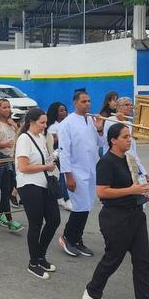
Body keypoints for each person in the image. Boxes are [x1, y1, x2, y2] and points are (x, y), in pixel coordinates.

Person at [80, 123, 149, 299]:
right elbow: (102, 192)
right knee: (113, 259)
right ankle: (92, 292)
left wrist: (147, 192)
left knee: (142, 262)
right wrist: (131, 190)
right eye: (124, 137)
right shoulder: (106, 162)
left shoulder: (131, 159)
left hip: (136, 215)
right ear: (113, 140)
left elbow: (140, 182)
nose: (129, 140)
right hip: (115, 217)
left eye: (130, 136)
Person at [57, 90, 105, 257]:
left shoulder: (91, 120)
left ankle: (77, 239)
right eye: (84, 101)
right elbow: (64, 152)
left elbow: (100, 143)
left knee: (86, 206)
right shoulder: (67, 124)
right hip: (75, 171)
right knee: (79, 207)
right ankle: (67, 237)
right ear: (75, 103)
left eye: (89, 101)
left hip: (91, 169)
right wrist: (68, 175)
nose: (88, 104)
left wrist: (99, 129)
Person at [15, 108, 61, 279]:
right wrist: (46, 167)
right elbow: (23, 167)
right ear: (32, 122)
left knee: (54, 219)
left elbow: (43, 160)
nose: (45, 125)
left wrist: (52, 160)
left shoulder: (41, 137)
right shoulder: (24, 139)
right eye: (42, 122)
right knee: (35, 223)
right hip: (28, 184)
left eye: (45, 122)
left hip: (44, 183)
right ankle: (33, 262)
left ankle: (40, 256)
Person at [0, 99, 23, 232]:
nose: (7, 110)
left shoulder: (11, 123)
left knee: (9, 188)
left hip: (12, 158)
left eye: (8, 107)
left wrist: (15, 126)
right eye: (4, 107)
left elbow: (20, 137)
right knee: (5, 190)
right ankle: (9, 220)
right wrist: (3, 145)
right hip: (1, 159)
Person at [47, 101, 71, 211]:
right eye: (61, 110)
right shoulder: (53, 127)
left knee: (65, 175)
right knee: (62, 175)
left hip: (68, 152)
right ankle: (66, 199)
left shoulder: (67, 123)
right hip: (58, 154)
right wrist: (62, 137)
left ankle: (62, 197)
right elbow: (52, 142)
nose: (64, 112)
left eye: (65, 110)